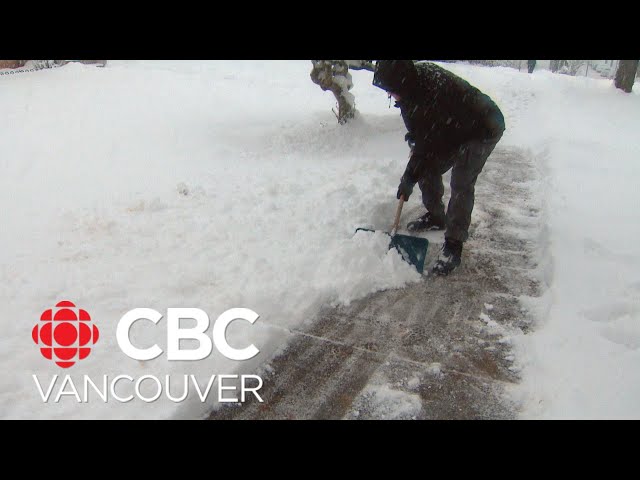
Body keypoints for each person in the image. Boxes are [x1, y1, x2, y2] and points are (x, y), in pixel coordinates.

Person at [372, 60, 505, 276]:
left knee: (461, 179)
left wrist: (409, 176)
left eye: (392, 90)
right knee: (426, 166)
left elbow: (428, 143)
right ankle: (436, 216)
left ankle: (453, 245)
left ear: (403, 83)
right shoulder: (409, 91)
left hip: (483, 126)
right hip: (452, 129)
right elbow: (421, 139)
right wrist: (411, 171)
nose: (391, 95)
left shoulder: (435, 90)